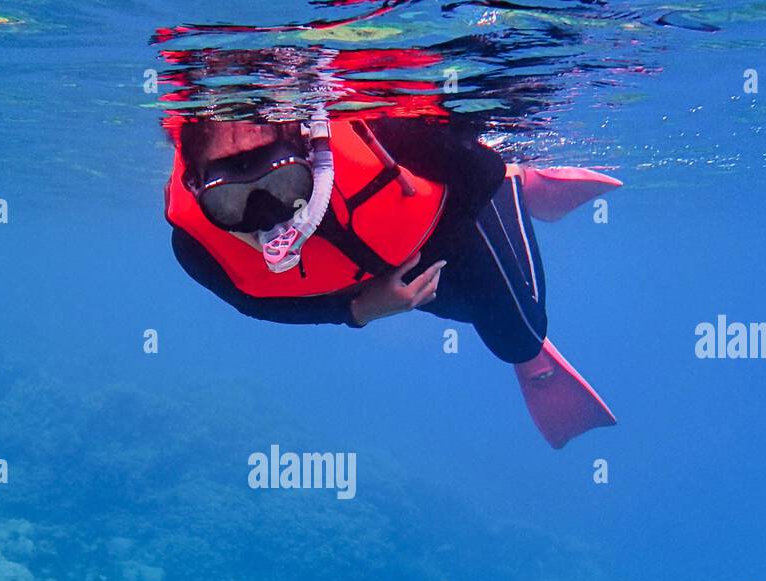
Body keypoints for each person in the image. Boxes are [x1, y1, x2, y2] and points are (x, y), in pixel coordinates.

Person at [164, 112, 620, 447]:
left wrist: (428, 253)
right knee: (466, 311)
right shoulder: (194, 244)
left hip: (443, 214)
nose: (268, 217)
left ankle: (523, 184)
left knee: (519, 340)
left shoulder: (384, 135)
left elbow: (481, 173)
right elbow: (253, 301)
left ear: (307, 151)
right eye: (230, 202)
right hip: (371, 270)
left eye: (283, 184)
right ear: (195, 187)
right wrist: (357, 310)